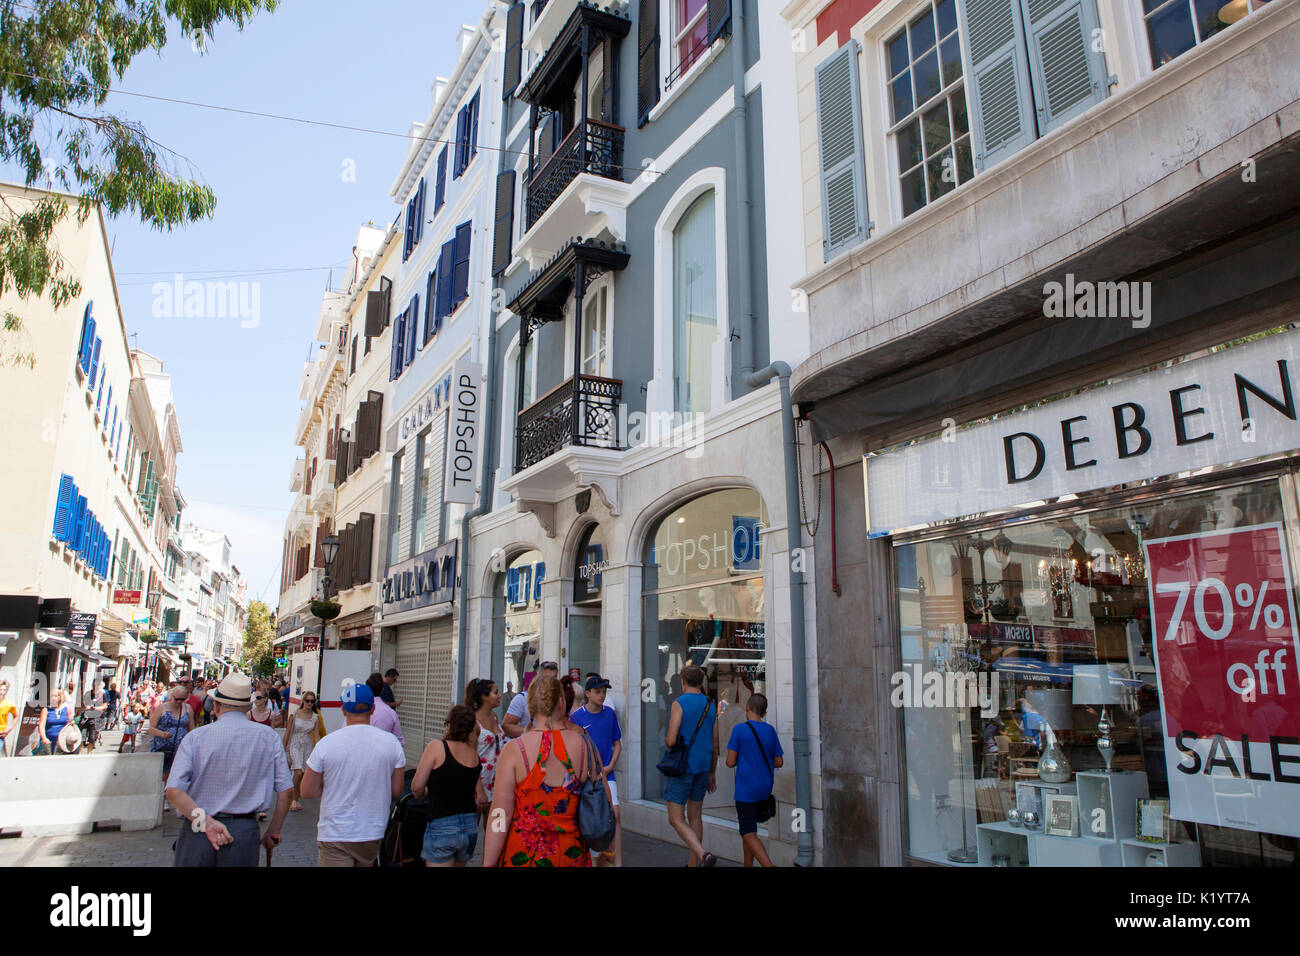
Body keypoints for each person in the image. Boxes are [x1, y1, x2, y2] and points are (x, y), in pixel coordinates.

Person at [164, 673, 294, 867]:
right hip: (243, 831)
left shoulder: (195, 738)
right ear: (249, 707)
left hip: (197, 827)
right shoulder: (268, 737)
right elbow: (286, 791)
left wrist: (205, 822)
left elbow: (173, 791)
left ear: (216, 706)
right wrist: (273, 830)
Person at [482, 675, 607, 868]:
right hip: (571, 853)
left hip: (524, 853)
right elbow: (604, 800)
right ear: (561, 701)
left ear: (530, 704)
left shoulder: (515, 750)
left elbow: (500, 812)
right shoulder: (586, 746)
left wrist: (488, 861)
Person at [300, 683, 405, 867]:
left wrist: (331, 783)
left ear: (342, 709)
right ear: (372, 709)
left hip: (335, 832)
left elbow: (307, 791)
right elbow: (397, 790)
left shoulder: (326, 744)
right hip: (372, 831)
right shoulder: (391, 743)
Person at [412, 704, 484, 867]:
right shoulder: (474, 755)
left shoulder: (437, 747)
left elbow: (416, 787)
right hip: (470, 825)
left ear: (450, 724)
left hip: (442, 824)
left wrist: (425, 792)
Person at [662, 664, 719, 867]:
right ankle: (693, 863)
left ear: (683, 681)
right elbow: (715, 742)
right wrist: (713, 772)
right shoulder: (710, 704)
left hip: (682, 767)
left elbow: (670, 740)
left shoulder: (680, 703)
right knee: (695, 816)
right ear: (701, 682)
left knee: (675, 818)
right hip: (703, 766)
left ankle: (703, 854)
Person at [724, 692, 783, 867]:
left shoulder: (739, 730)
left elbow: (729, 762)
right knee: (750, 830)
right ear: (764, 713)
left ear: (747, 709)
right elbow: (779, 761)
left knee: (748, 832)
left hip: (746, 789)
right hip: (764, 787)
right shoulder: (770, 730)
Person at [569, 675, 623, 866]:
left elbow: (617, 744)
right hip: (585, 776)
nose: (602, 695)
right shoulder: (577, 717)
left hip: (607, 773)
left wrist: (609, 766)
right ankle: (592, 857)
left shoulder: (609, 714)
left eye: (604, 692)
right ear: (588, 693)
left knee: (614, 815)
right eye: (598, 692)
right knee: (586, 817)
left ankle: (615, 860)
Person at [464, 678, 505, 824]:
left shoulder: (495, 717)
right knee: (472, 830)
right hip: (479, 782)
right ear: (484, 696)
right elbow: (470, 756)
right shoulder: (473, 721)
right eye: (496, 692)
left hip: (496, 782)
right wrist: (479, 789)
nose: (500, 695)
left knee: (494, 829)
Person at [283, 690, 326, 812]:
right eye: (307, 701)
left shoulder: (315, 717)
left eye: (312, 701)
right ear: (303, 701)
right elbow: (287, 732)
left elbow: (316, 735)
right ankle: (293, 800)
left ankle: (295, 798)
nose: (310, 703)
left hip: (307, 744)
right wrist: (284, 748)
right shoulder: (295, 714)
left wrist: (319, 750)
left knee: (302, 773)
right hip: (295, 743)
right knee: (297, 771)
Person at [502, 661, 558, 738]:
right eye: (545, 679)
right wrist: (534, 732)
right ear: (537, 678)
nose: (550, 683)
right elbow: (507, 726)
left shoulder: (560, 699)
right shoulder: (522, 698)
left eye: (554, 679)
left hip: (555, 744)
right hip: (530, 745)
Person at [149, 685, 193, 782]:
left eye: (182, 699)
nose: (179, 702)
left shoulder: (188, 708)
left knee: (177, 776)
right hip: (163, 748)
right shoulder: (162, 707)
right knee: (162, 776)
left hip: (180, 749)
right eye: (176, 699)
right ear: (171, 696)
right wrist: (162, 734)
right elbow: (151, 728)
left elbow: (191, 730)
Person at [364, 673, 404, 748]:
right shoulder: (391, 713)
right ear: (382, 690)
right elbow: (399, 742)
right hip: (383, 755)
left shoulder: (356, 710)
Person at [38, 688, 72, 756]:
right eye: (51, 696)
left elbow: (69, 725)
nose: (52, 698)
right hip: (48, 741)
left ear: (60, 697)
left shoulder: (67, 709)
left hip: (61, 742)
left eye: (54, 696)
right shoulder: (46, 710)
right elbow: (41, 726)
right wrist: (44, 738)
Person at [0, 679, 18, 756]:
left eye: (4, 690)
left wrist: (9, 729)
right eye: (0, 689)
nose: (1, 692)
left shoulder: (9, 704)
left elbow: (16, 716)